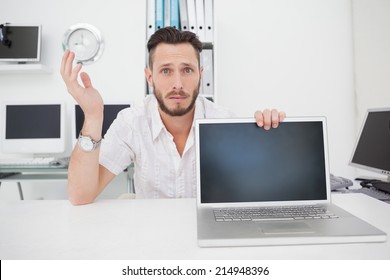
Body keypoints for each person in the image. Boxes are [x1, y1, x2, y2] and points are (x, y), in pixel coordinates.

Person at [60, 27, 285, 205]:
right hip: (150, 241)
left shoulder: (225, 122)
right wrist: (92, 116)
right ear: (150, 77)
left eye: (187, 70)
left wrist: (268, 135)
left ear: (200, 75)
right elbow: (81, 196)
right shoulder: (132, 122)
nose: (177, 84)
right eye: (166, 70)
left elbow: (263, 189)